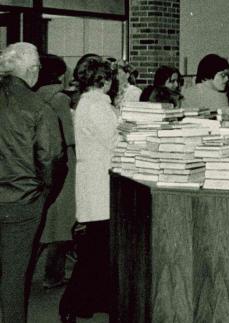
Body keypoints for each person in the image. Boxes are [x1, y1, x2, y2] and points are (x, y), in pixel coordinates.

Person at [0, 42, 62, 323]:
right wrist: (43, 195)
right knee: (14, 276)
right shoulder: (40, 108)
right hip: (22, 203)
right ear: (32, 70)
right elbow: (51, 159)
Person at [59, 59, 120, 323]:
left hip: (93, 182)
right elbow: (115, 140)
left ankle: (85, 303)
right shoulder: (97, 106)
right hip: (99, 183)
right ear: (103, 80)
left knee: (97, 248)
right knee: (95, 250)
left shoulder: (87, 103)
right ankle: (71, 303)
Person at [34, 54, 76, 290]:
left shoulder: (35, 95)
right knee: (62, 221)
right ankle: (54, 274)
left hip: (42, 163)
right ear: (60, 74)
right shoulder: (60, 99)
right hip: (65, 163)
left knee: (47, 220)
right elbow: (69, 136)